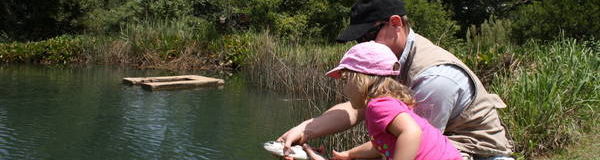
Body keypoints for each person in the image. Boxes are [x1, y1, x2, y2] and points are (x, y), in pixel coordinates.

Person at [278, 0, 513, 159]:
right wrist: (305, 130)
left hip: (478, 153)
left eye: (369, 35)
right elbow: (358, 107)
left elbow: (413, 141)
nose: (365, 44)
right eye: (359, 40)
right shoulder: (385, 61)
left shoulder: (433, 77)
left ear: (395, 23)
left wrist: (350, 155)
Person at [328, 42, 462, 160]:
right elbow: (381, 146)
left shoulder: (377, 106)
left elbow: (411, 132)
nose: (344, 89)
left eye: (345, 81)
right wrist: (350, 154)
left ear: (360, 80)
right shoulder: (390, 103)